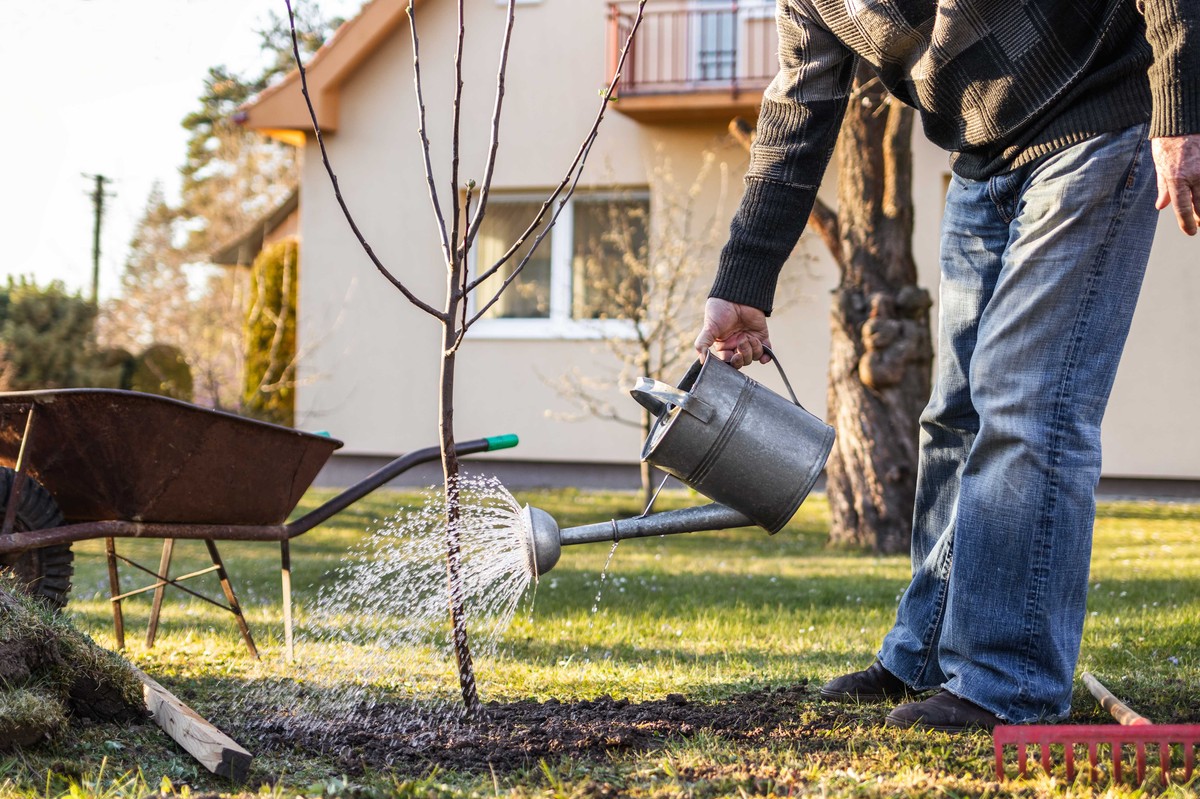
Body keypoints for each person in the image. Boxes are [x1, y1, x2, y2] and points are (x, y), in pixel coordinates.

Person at [693, 1, 1199, 731]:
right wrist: (742, 281)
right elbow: (800, 101)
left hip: (1098, 110)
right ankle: (925, 652)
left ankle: (1010, 681)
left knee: (1028, 402)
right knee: (954, 418)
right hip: (981, 158)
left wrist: (1181, 98)